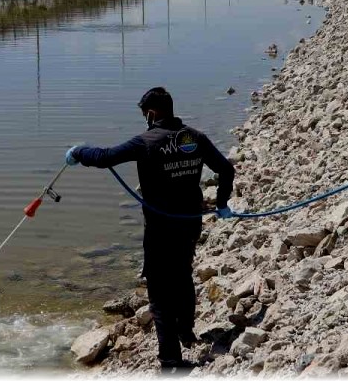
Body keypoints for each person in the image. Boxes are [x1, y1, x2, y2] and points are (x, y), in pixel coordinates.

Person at [65, 87, 236, 370]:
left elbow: (105, 157)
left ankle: (170, 361)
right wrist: (221, 203)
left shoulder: (146, 142)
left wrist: (79, 151)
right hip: (189, 222)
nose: (145, 119)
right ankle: (185, 331)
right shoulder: (194, 137)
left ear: (152, 113)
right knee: (182, 273)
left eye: (145, 114)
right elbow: (226, 169)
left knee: (159, 294)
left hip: (160, 229)